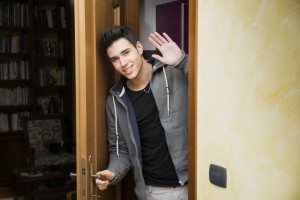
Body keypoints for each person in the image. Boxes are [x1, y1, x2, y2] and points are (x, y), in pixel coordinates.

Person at [96, 26, 188, 200]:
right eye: (115, 59)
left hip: (194, 183)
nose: (123, 63)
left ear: (139, 47)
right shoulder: (115, 100)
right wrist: (113, 172)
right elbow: (120, 150)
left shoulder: (174, 73)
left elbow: (209, 85)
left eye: (126, 53)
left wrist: (182, 61)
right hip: (154, 192)